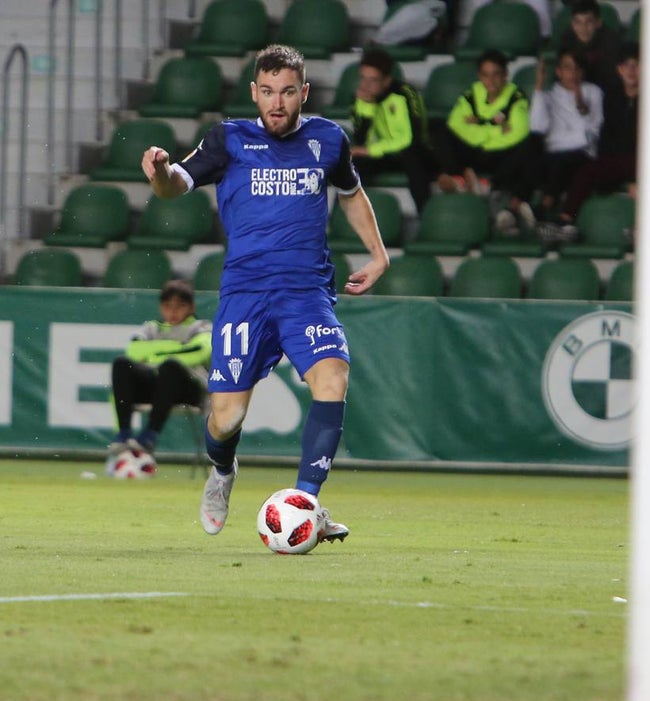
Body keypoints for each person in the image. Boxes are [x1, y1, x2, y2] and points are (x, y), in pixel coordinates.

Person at [141, 44, 390, 542]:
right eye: (268, 92)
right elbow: (174, 187)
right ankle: (223, 471)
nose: (277, 103)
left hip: (306, 294)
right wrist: (162, 172)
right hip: (245, 295)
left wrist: (380, 255)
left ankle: (307, 502)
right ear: (255, 92)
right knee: (227, 417)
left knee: (333, 377)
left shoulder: (328, 140)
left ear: (304, 93)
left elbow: (351, 195)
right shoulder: (228, 139)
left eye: (288, 92)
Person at [106, 279, 212, 477]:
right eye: (168, 306)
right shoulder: (151, 328)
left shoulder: (201, 327)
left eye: (180, 306)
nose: (173, 312)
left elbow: (200, 351)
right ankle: (124, 436)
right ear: (161, 307)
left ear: (191, 307)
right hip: (155, 389)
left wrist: (154, 353)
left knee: (170, 367)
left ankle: (149, 435)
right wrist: (177, 349)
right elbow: (134, 350)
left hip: (188, 389)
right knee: (122, 364)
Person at [495, 49, 604, 237]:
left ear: (582, 72)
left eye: (577, 69)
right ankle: (513, 209)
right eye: (567, 68)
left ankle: (539, 210)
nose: (572, 73)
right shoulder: (549, 95)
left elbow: (590, 134)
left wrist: (578, 99)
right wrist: (538, 87)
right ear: (558, 72)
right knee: (532, 148)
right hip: (553, 151)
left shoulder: (593, 92)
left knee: (559, 161)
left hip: (581, 154)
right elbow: (537, 126)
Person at [543, 41, 638, 241]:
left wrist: (636, 179)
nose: (631, 70)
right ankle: (565, 221)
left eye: (636, 65)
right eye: (626, 65)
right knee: (586, 171)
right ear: (619, 70)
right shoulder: (612, 96)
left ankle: (643, 227)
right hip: (618, 160)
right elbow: (606, 136)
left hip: (646, 161)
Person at [350, 48, 438, 213]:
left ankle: (426, 216)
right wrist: (367, 107)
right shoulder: (361, 97)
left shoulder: (406, 94)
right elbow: (360, 139)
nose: (366, 85)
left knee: (414, 160)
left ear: (387, 81)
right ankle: (339, 221)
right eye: (363, 78)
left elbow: (410, 139)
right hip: (384, 153)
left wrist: (370, 150)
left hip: (415, 151)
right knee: (351, 167)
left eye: (373, 80)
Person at [436, 49, 531, 197]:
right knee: (440, 129)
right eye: (485, 75)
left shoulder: (516, 97)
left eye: (496, 74)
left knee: (527, 146)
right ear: (479, 76)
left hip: (499, 153)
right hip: (476, 150)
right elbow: (455, 123)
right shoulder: (471, 94)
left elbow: (519, 132)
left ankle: (491, 187)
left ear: (505, 75)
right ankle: (458, 179)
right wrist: (497, 128)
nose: (491, 81)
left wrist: (478, 124)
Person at [557, 0, 623, 90]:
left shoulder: (612, 41)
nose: (583, 28)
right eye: (578, 22)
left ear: (598, 22)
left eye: (589, 22)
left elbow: (613, 79)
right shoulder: (567, 39)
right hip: (576, 90)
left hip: (606, 92)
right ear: (572, 24)